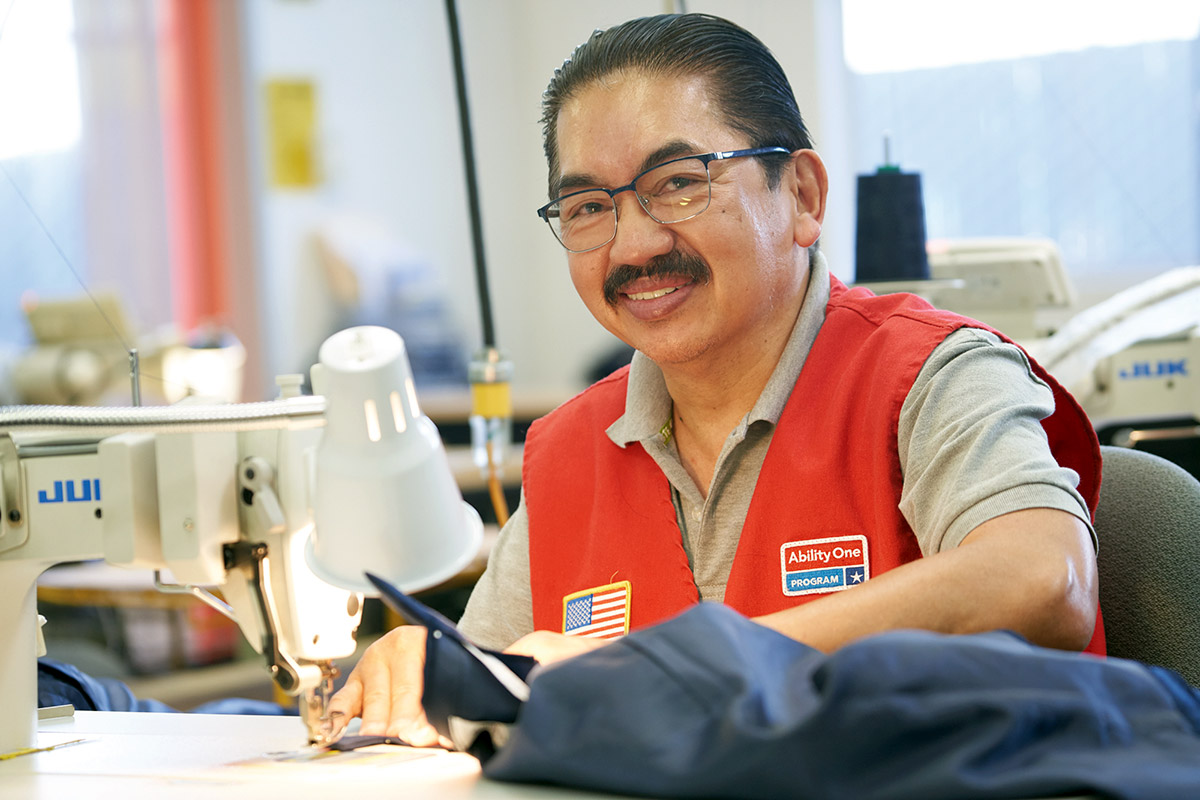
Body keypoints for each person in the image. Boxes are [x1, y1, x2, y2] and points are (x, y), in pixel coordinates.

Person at [326, 13, 1101, 746]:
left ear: (802, 195)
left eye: (678, 182)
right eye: (588, 206)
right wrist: (426, 676)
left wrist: (658, 670)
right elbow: (496, 685)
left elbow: (1045, 580)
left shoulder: (931, 375)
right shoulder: (568, 453)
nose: (633, 245)